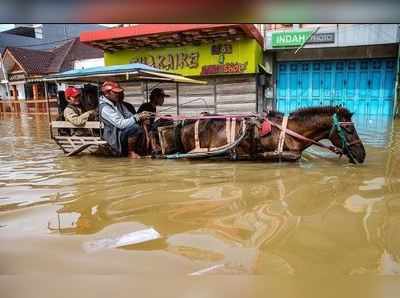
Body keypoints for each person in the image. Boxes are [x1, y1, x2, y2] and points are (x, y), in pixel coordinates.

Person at [98, 81, 150, 158]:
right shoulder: (105, 108)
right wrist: (137, 117)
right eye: (115, 92)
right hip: (113, 135)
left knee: (137, 125)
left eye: (118, 92)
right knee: (134, 128)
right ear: (107, 93)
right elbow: (120, 124)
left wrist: (140, 116)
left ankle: (139, 150)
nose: (118, 94)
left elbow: (129, 115)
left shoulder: (118, 103)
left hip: (120, 132)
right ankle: (130, 152)